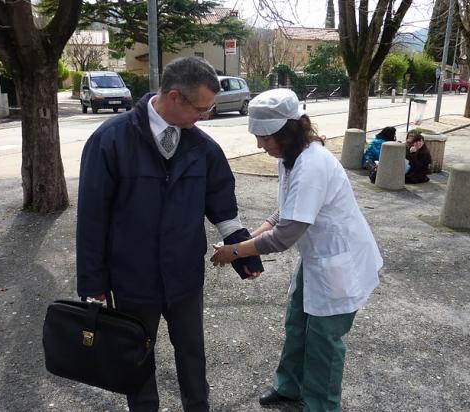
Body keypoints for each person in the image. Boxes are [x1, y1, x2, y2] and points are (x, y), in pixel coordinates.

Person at [76, 56, 263, 412]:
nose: (206, 116)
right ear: (175, 97)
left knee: (192, 353)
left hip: (183, 278)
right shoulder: (110, 141)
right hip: (132, 279)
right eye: (202, 108)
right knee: (137, 355)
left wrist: (243, 253)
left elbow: (223, 208)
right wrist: (92, 280)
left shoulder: (204, 149)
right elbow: (92, 218)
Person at [211, 89, 383, 411]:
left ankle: (320, 405)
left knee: (324, 342)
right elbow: (283, 214)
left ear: (286, 133)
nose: (259, 145)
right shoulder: (290, 160)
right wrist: (241, 242)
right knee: (296, 324)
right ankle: (289, 386)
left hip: (339, 262)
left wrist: (234, 252)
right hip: (316, 259)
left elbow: (284, 235)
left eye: (264, 137)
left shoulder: (312, 165)